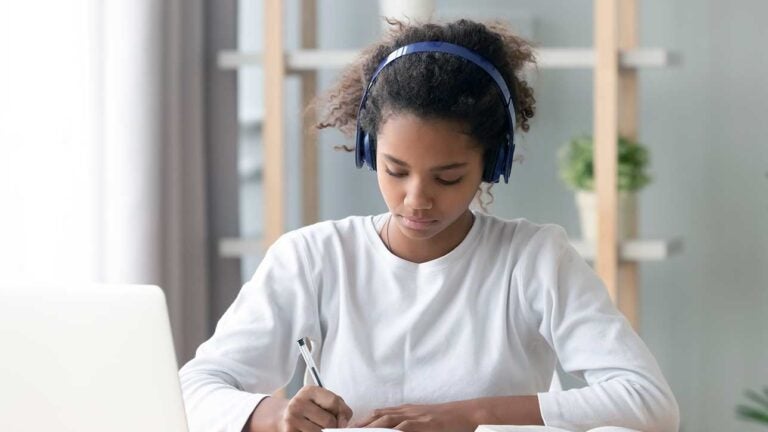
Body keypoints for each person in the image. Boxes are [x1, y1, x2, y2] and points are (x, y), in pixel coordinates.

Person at [179, 18, 680, 432]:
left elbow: (649, 402)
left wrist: (470, 416)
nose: (416, 200)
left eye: (448, 176)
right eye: (395, 171)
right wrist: (273, 415)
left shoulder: (534, 259)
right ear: (370, 151)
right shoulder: (313, 256)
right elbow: (191, 389)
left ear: (492, 163)